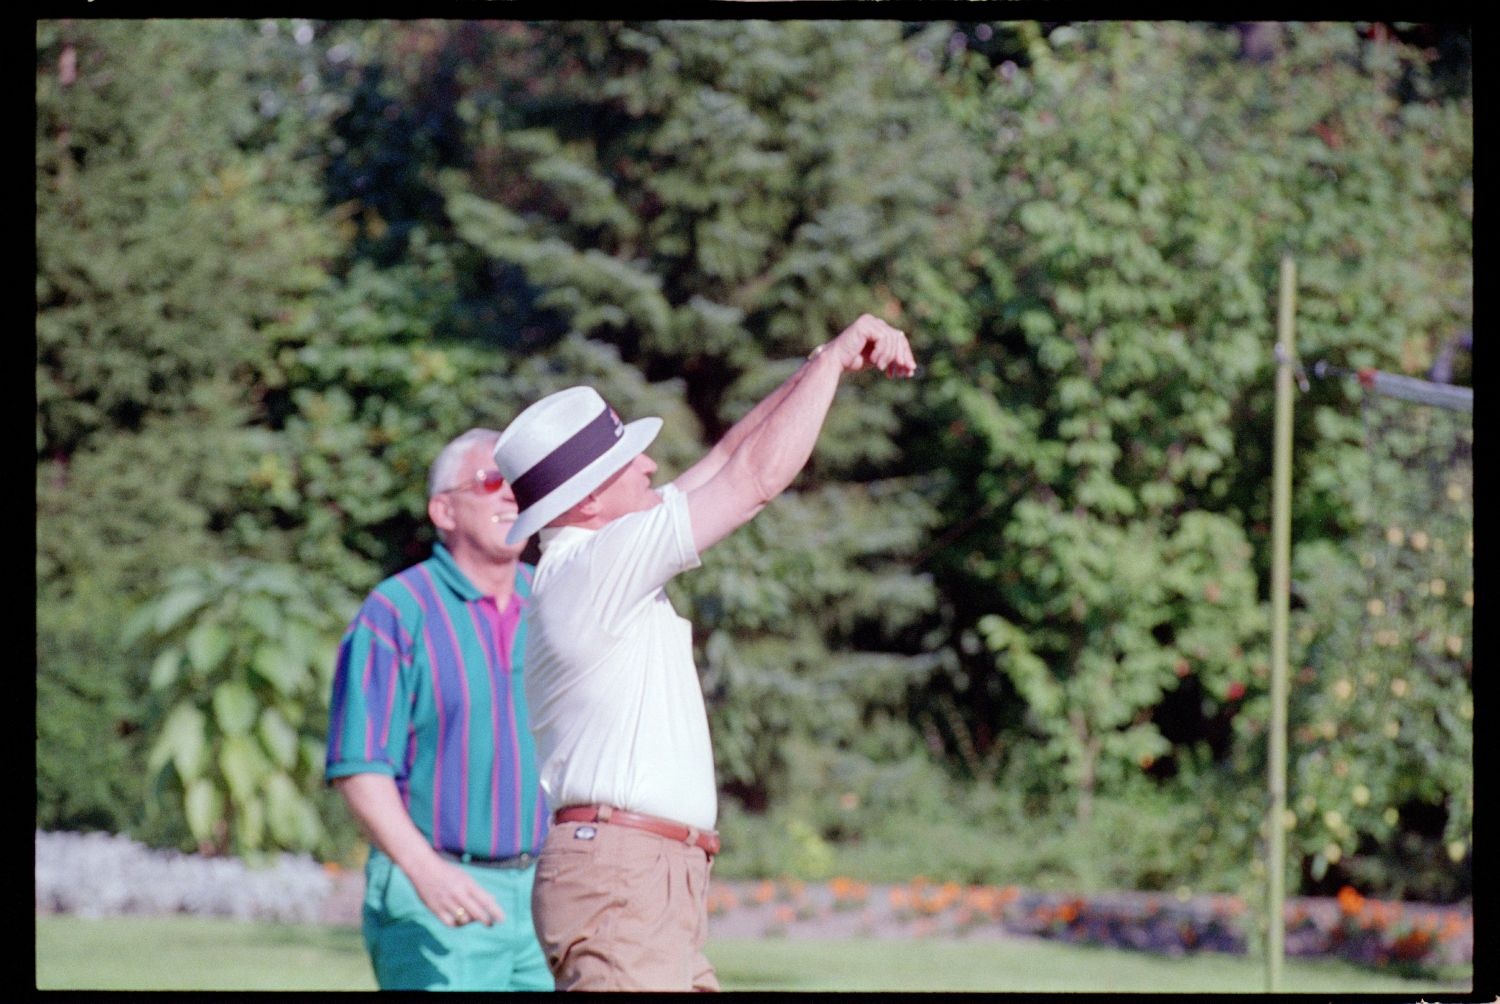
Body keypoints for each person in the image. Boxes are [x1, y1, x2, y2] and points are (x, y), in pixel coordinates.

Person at [491, 314, 917, 990]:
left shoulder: (596, 559)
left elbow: (722, 461)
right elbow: (751, 482)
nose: (652, 464)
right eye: (630, 460)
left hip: (640, 875)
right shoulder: (598, 565)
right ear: (589, 498)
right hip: (625, 876)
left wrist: (818, 360)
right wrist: (833, 363)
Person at [325, 428, 552, 991]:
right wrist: (426, 872)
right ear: (443, 510)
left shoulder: (552, 599)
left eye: (520, 485)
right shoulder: (395, 612)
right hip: (440, 890)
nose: (511, 497)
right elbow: (360, 767)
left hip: (550, 893)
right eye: (492, 481)